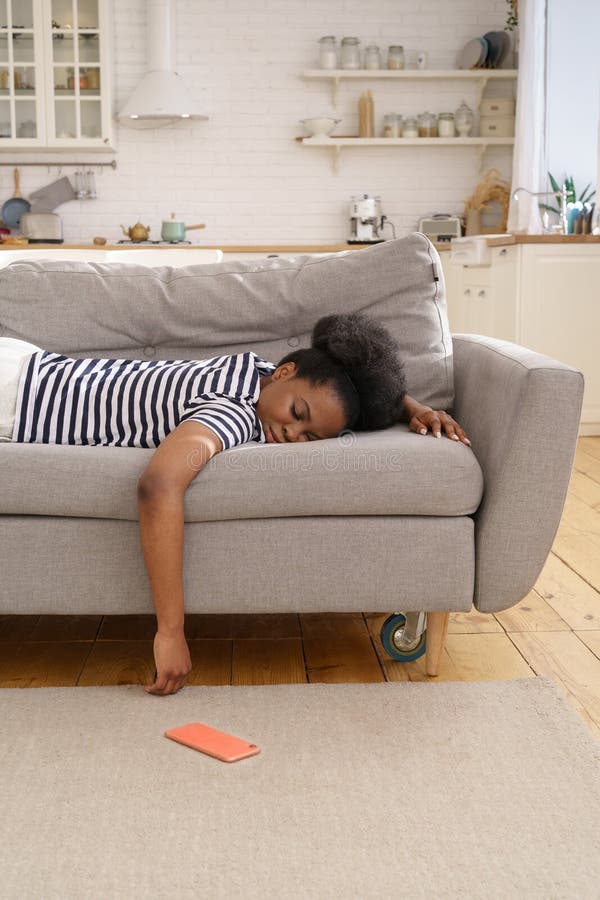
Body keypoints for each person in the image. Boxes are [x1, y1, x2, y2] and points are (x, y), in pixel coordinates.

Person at [0, 314, 470, 696]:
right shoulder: (231, 410)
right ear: (284, 373)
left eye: (309, 436)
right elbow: (158, 485)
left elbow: (341, 387)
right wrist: (170, 632)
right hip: (13, 399)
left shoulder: (256, 373)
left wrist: (415, 409)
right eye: (297, 416)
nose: (291, 433)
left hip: (25, 366)